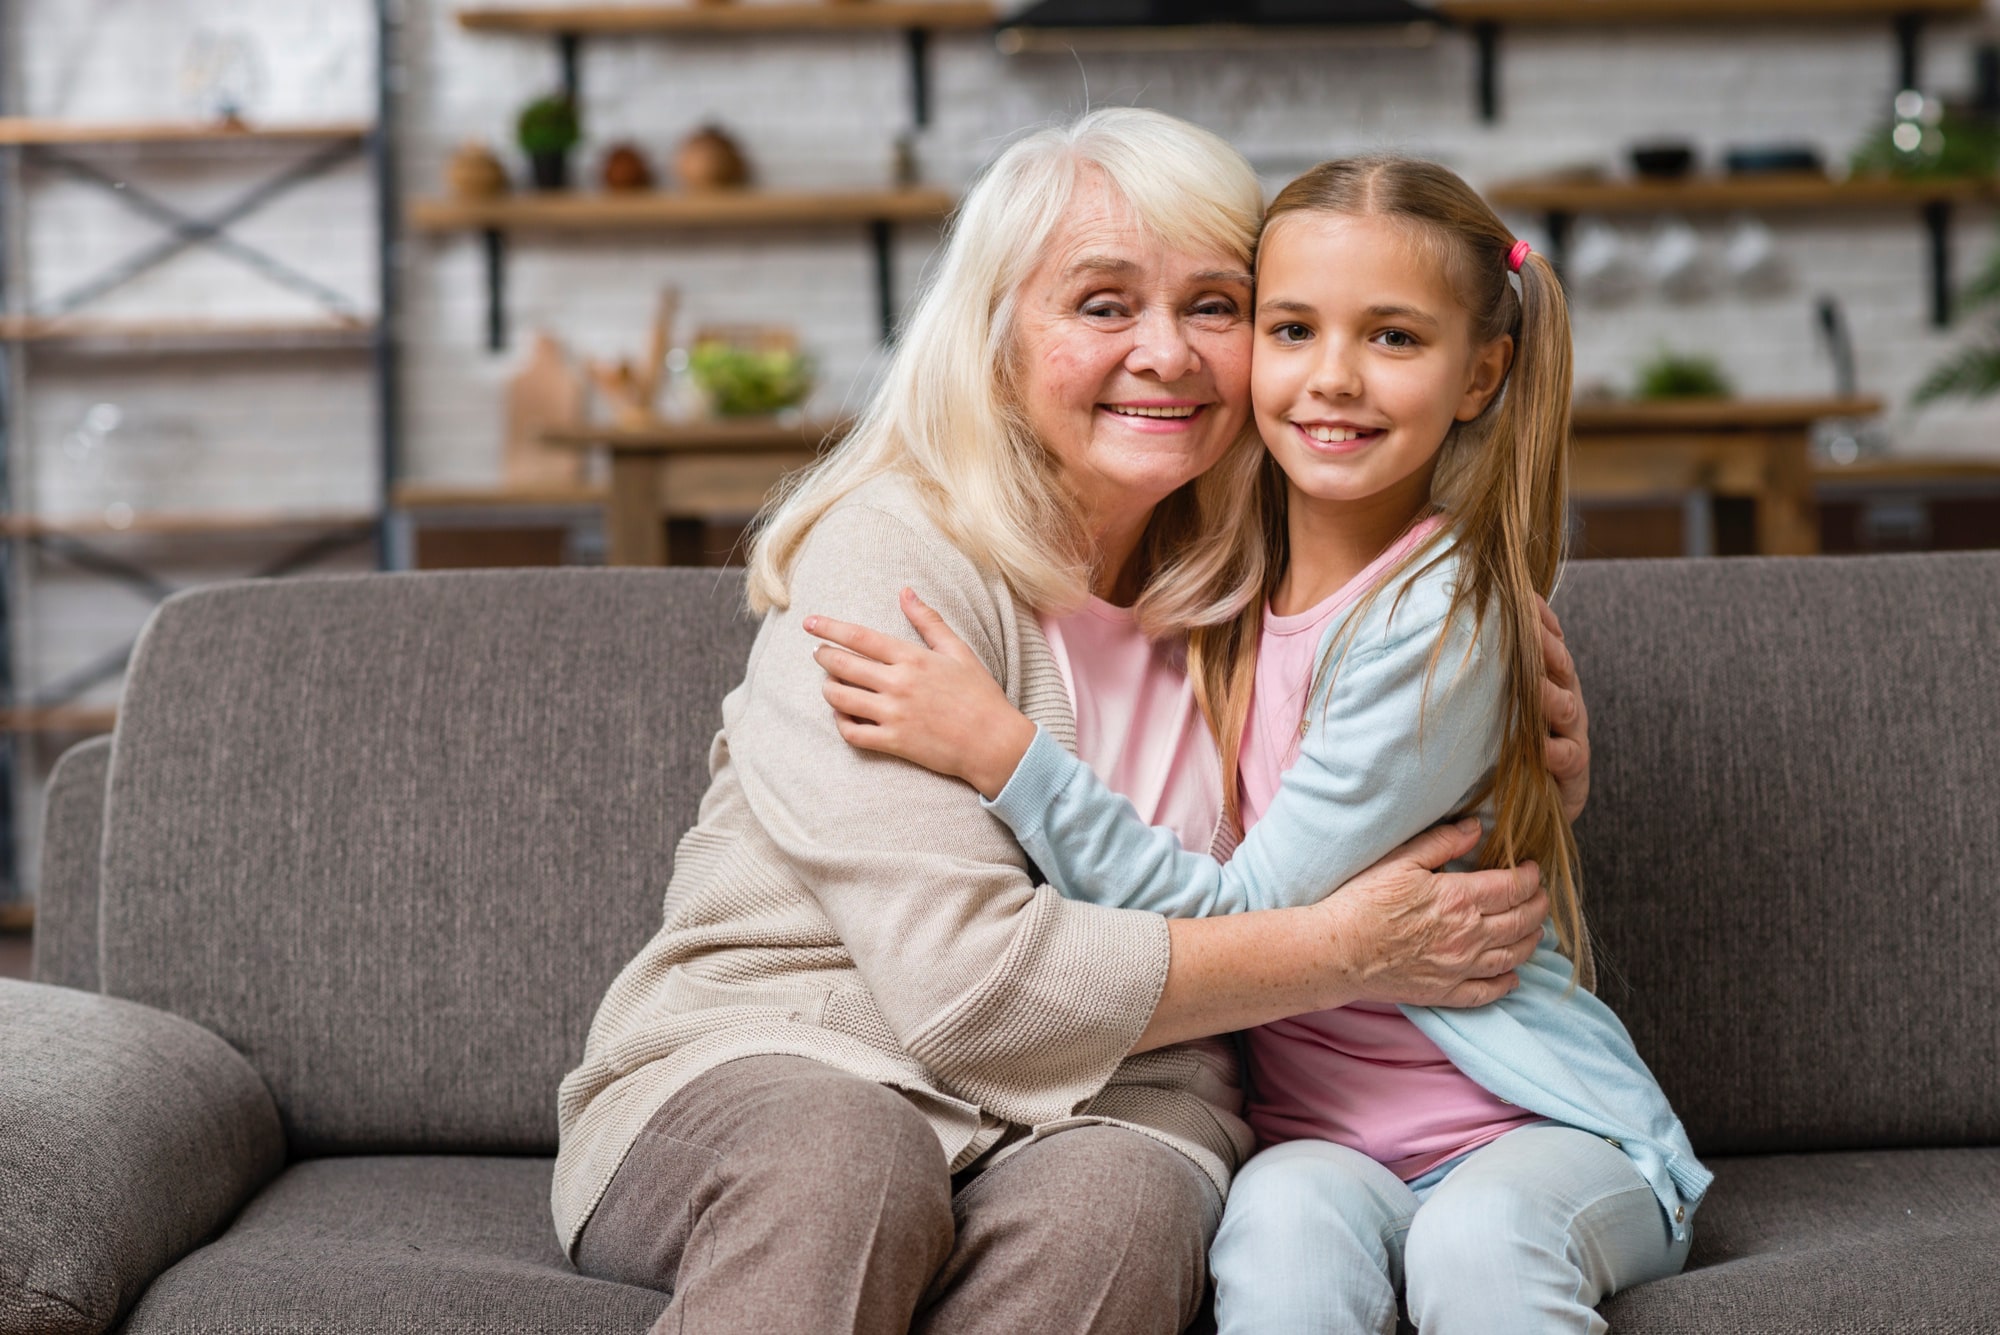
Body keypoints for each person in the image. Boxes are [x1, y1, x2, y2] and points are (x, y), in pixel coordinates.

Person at [556, 113, 1590, 1335]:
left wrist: (1508, 771)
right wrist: (1343, 948)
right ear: (994, 339)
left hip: (1129, 1095)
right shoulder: (890, 558)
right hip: (786, 1057)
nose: (1166, 352)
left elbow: (1376, 771)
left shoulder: (1276, 578)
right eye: (1102, 306)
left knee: (1121, 1206)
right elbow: (969, 989)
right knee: (850, 1158)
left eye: (1215, 306)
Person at [807, 155, 1709, 1334]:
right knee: (1275, 1242)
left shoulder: (1438, 616)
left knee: (1477, 1247)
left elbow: (1236, 915)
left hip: (1531, 1127)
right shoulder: (1225, 580)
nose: (1330, 379)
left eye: (1392, 339)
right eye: (1290, 328)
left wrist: (1003, 753)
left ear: (1481, 373)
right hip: (1323, 1141)